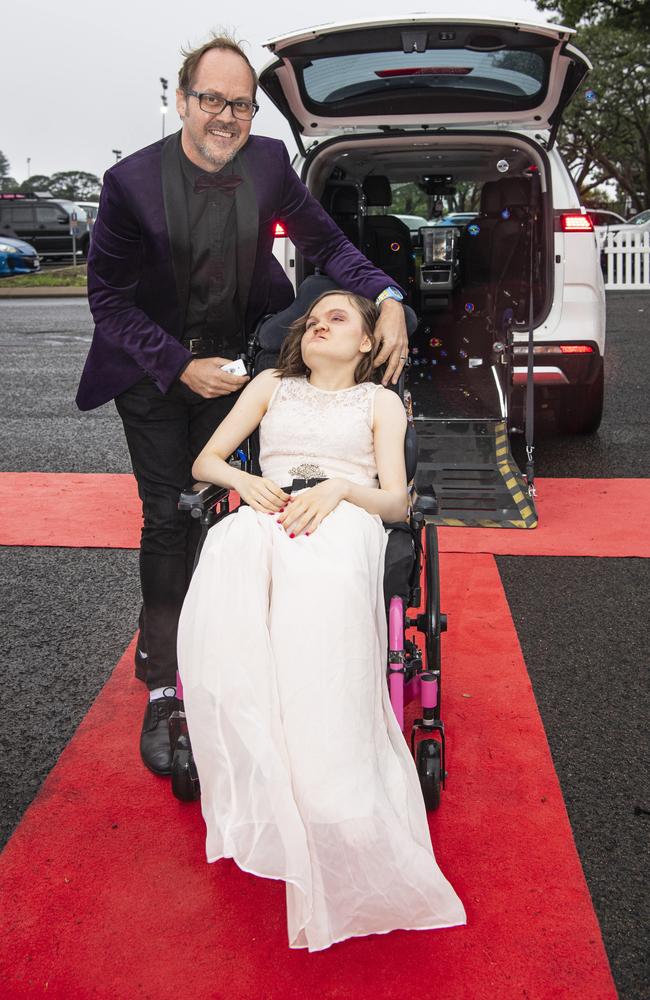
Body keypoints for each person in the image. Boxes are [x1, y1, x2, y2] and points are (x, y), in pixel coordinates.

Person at [75, 31, 409, 776]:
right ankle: (165, 682)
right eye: (212, 100)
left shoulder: (267, 162)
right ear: (182, 100)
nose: (227, 117)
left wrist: (385, 294)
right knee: (171, 516)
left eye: (242, 105)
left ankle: (240, 654)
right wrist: (179, 366)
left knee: (235, 513)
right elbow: (107, 299)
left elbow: (328, 245)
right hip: (152, 369)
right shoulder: (129, 184)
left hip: (247, 360)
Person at [176, 290, 466, 952]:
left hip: (345, 517)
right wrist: (245, 485)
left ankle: (329, 789)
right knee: (231, 550)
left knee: (317, 574)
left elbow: (396, 500)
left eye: (337, 317)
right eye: (311, 320)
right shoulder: (273, 385)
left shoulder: (380, 402)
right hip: (266, 506)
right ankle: (261, 756)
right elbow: (207, 462)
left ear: (366, 341)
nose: (318, 325)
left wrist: (337, 489)